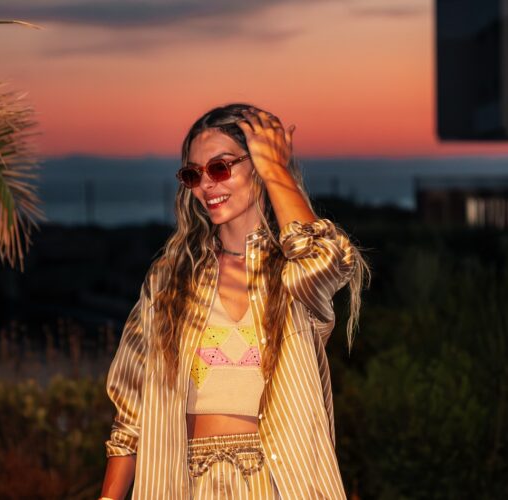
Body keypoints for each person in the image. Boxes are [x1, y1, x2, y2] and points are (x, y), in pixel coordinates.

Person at [98, 103, 370, 499]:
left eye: (220, 167)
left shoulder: (291, 277)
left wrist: (275, 169)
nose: (206, 184)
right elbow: (130, 415)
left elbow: (326, 257)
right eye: (193, 174)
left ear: (257, 166)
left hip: (276, 485)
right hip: (185, 485)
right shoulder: (169, 280)